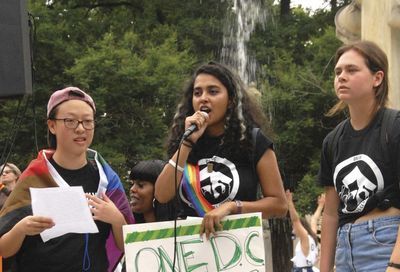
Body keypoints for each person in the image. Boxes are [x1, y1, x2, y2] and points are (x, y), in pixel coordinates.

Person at [0, 87, 134, 272]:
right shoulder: (34, 178)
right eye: (70, 121)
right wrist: (21, 229)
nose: (80, 128)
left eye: (87, 121)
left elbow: (127, 245)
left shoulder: (105, 179)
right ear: (52, 125)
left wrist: (117, 219)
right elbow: (4, 250)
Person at [155, 61, 287, 238]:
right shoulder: (185, 141)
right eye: (197, 93)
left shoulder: (253, 141)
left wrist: (233, 207)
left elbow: (279, 206)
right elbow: (162, 195)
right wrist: (186, 144)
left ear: (231, 100)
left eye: (213, 91)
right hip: (191, 252)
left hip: (238, 251)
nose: (203, 98)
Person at [318, 41, 400, 271]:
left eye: (351, 70)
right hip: (345, 251)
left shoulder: (394, 126)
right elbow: (331, 214)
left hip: (385, 245)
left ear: (377, 78)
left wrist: (395, 263)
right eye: (338, 72)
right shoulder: (332, 141)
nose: (341, 77)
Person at [286, 190, 319, 272]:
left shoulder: (305, 237)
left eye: (294, 228)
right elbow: (314, 219)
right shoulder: (312, 236)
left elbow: (295, 220)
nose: (293, 230)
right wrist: (321, 205)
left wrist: (290, 203)